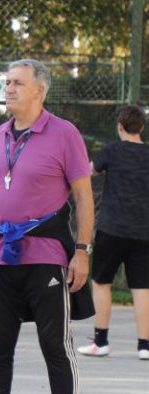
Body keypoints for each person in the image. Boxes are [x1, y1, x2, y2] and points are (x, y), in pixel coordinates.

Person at [0, 59, 94, 394]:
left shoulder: (64, 133)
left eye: (17, 83)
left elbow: (83, 197)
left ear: (39, 90)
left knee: (55, 345)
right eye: (7, 82)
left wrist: (82, 252)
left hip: (47, 256)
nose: (9, 88)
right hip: (1, 257)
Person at [77, 105, 149, 360]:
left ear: (120, 127)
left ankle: (101, 342)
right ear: (142, 127)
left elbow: (88, 171)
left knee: (101, 282)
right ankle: (145, 346)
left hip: (111, 229)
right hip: (143, 232)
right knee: (142, 287)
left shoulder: (112, 150)